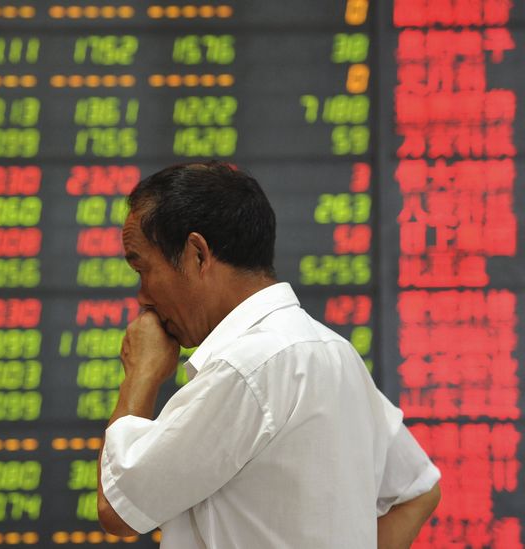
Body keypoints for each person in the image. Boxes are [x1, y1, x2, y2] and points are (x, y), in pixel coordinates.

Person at [96, 161, 441, 548]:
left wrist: (141, 374)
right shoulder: (335, 352)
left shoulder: (245, 367)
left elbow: (117, 507)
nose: (142, 296)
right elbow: (419, 490)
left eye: (142, 269)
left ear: (196, 254)